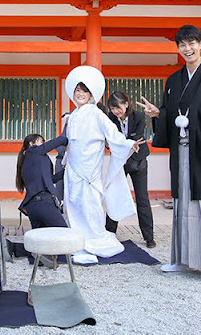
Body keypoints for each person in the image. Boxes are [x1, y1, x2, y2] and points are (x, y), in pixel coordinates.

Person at [136, 25, 201, 285]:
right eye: (182, 44)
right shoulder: (174, 81)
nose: (188, 48)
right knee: (183, 205)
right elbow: (174, 114)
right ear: (178, 48)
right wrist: (159, 114)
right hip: (182, 153)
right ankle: (183, 259)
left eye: (192, 43)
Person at [63, 65, 143, 264]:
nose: (80, 94)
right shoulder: (72, 116)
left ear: (91, 94)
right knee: (72, 204)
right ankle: (77, 240)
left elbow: (113, 134)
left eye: (84, 91)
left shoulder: (97, 114)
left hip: (90, 169)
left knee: (89, 205)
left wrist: (128, 143)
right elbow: (69, 144)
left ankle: (92, 240)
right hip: (73, 168)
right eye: (77, 91)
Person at [106, 91, 156, 249]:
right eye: (113, 108)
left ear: (126, 104)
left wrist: (123, 144)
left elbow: (138, 138)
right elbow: (111, 140)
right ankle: (109, 233)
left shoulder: (139, 117)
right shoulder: (110, 119)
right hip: (119, 161)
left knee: (142, 199)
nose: (116, 111)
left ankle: (149, 237)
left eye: (118, 107)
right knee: (115, 194)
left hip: (138, 160)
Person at [16, 133, 68, 229]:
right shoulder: (34, 151)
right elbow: (60, 140)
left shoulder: (27, 160)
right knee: (64, 235)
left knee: (41, 242)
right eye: (41, 141)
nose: (44, 144)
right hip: (44, 203)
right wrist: (70, 138)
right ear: (31, 144)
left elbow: (51, 179)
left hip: (32, 207)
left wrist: (68, 170)